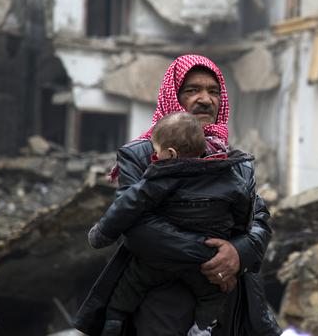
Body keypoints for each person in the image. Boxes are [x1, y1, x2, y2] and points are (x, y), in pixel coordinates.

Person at [73, 54, 282, 336]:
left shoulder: (235, 160)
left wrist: (238, 253)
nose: (205, 99)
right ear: (173, 97)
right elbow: (138, 228)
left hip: (227, 298)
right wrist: (214, 255)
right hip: (163, 299)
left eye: (213, 91)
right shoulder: (142, 155)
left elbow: (258, 217)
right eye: (192, 90)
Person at [87, 111, 256, 336]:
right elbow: (245, 213)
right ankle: (203, 327)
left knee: (130, 282)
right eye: (192, 90)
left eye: (156, 152)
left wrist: (102, 233)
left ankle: (114, 320)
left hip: (158, 262)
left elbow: (128, 207)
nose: (153, 157)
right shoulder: (228, 172)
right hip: (206, 266)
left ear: (171, 153)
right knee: (215, 294)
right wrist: (226, 244)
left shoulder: (160, 176)